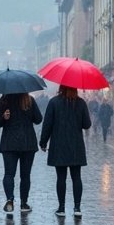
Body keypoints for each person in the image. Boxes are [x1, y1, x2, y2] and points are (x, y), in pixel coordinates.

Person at [39, 85, 91, 218]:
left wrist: (43, 141)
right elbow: (87, 124)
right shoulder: (81, 103)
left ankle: (61, 208)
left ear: (61, 88)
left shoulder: (54, 102)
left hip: (59, 145)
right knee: (76, 177)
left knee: (61, 178)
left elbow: (47, 124)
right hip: (76, 145)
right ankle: (77, 207)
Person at [0, 91, 43, 216]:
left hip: (9, 144)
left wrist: (3, 117)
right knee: (25, 176)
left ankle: (10, 199)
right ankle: (23, 203)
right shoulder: (29, 100)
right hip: (27, 143)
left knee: (9, 174)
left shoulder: (4, 101)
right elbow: (38, 119)